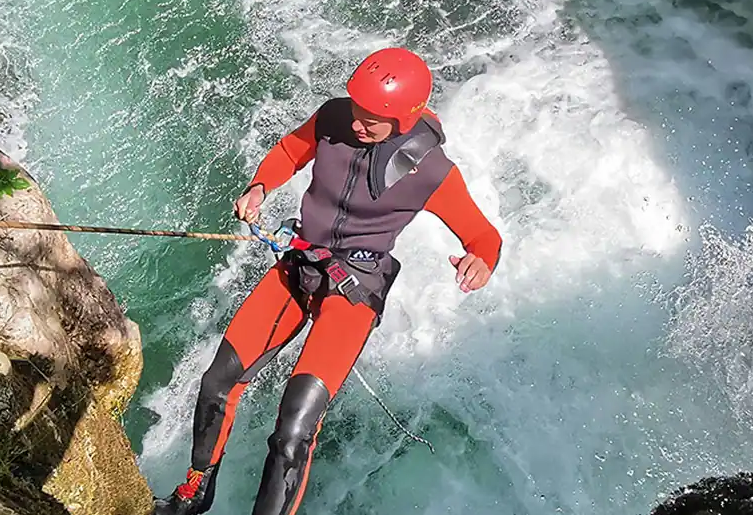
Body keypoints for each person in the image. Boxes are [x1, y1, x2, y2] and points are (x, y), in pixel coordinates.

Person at [152, 47, 504, 515]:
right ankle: (193, 493)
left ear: (404, 119)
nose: (358, 123)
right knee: (218, 382)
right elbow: (288, 152)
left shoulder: (433, 172)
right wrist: (260, 186)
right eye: (356, 109)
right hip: (299, 267)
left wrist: (480, 260)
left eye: (372, 120)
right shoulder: (333, 118)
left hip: (354, 290)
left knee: (294, 428)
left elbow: (483, 235)